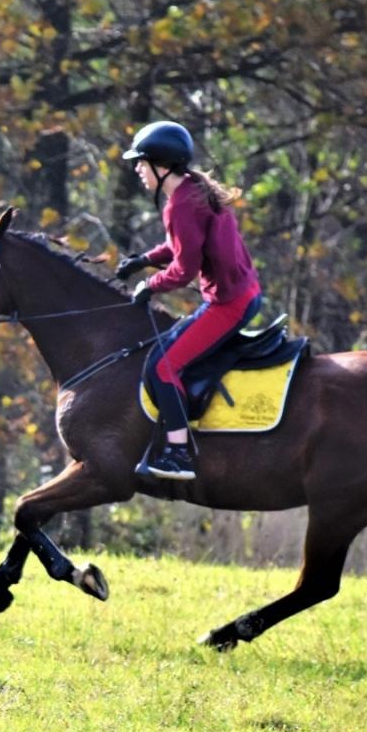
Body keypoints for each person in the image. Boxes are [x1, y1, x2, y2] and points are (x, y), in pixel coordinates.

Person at [116, 120, 262, 481]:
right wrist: (145, 259)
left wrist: (149, 285)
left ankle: (179, 454)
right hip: (241, 295)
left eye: (141, 162)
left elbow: (184, 268)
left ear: (161, 165)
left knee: (161, 367)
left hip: (229, 304)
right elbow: (185, 244)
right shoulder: (193, 190)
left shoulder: (179, 204)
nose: (137, 169)